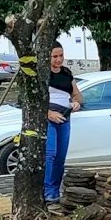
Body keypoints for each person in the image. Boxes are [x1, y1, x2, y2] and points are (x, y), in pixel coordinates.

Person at [45, 42, 83, 202]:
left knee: (60, 156)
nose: (58, 60)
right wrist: (48, 113)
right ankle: (45, 189)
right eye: (55, 56)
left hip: (65, 118)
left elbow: (77, 95)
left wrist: (76, 103)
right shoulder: (42, 74)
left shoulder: (67, 73)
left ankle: (54, 191)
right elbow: (32, 101)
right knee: (50, 154)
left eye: (61, 56)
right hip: (48, 119)